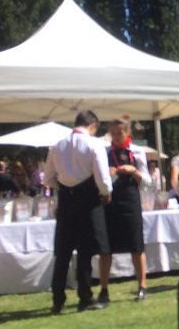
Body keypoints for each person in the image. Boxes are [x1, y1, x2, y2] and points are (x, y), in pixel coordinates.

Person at [43, 110, 112, 314]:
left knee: (63, 251)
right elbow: (102, 175)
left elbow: (47, 178)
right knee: (85, 250)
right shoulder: (94, 144)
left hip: (66, 199)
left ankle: (58, 299)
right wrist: (106, 192)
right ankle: (85, 296)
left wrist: (63, 187)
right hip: (88, 199)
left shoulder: (57, 145)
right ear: (92, 125)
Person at [97, 116, 151, 303]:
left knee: (136, 245)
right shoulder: (104, 151)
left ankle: (142, 286)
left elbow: (147, 181)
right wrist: (108, 172)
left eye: (119, 133)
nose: (116, 137)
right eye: (112, 133)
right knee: (106, 248)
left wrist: (133, 171)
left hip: (130, 201)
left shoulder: (136, 151)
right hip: (109, 201)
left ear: (127, 133)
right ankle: (103, 289)